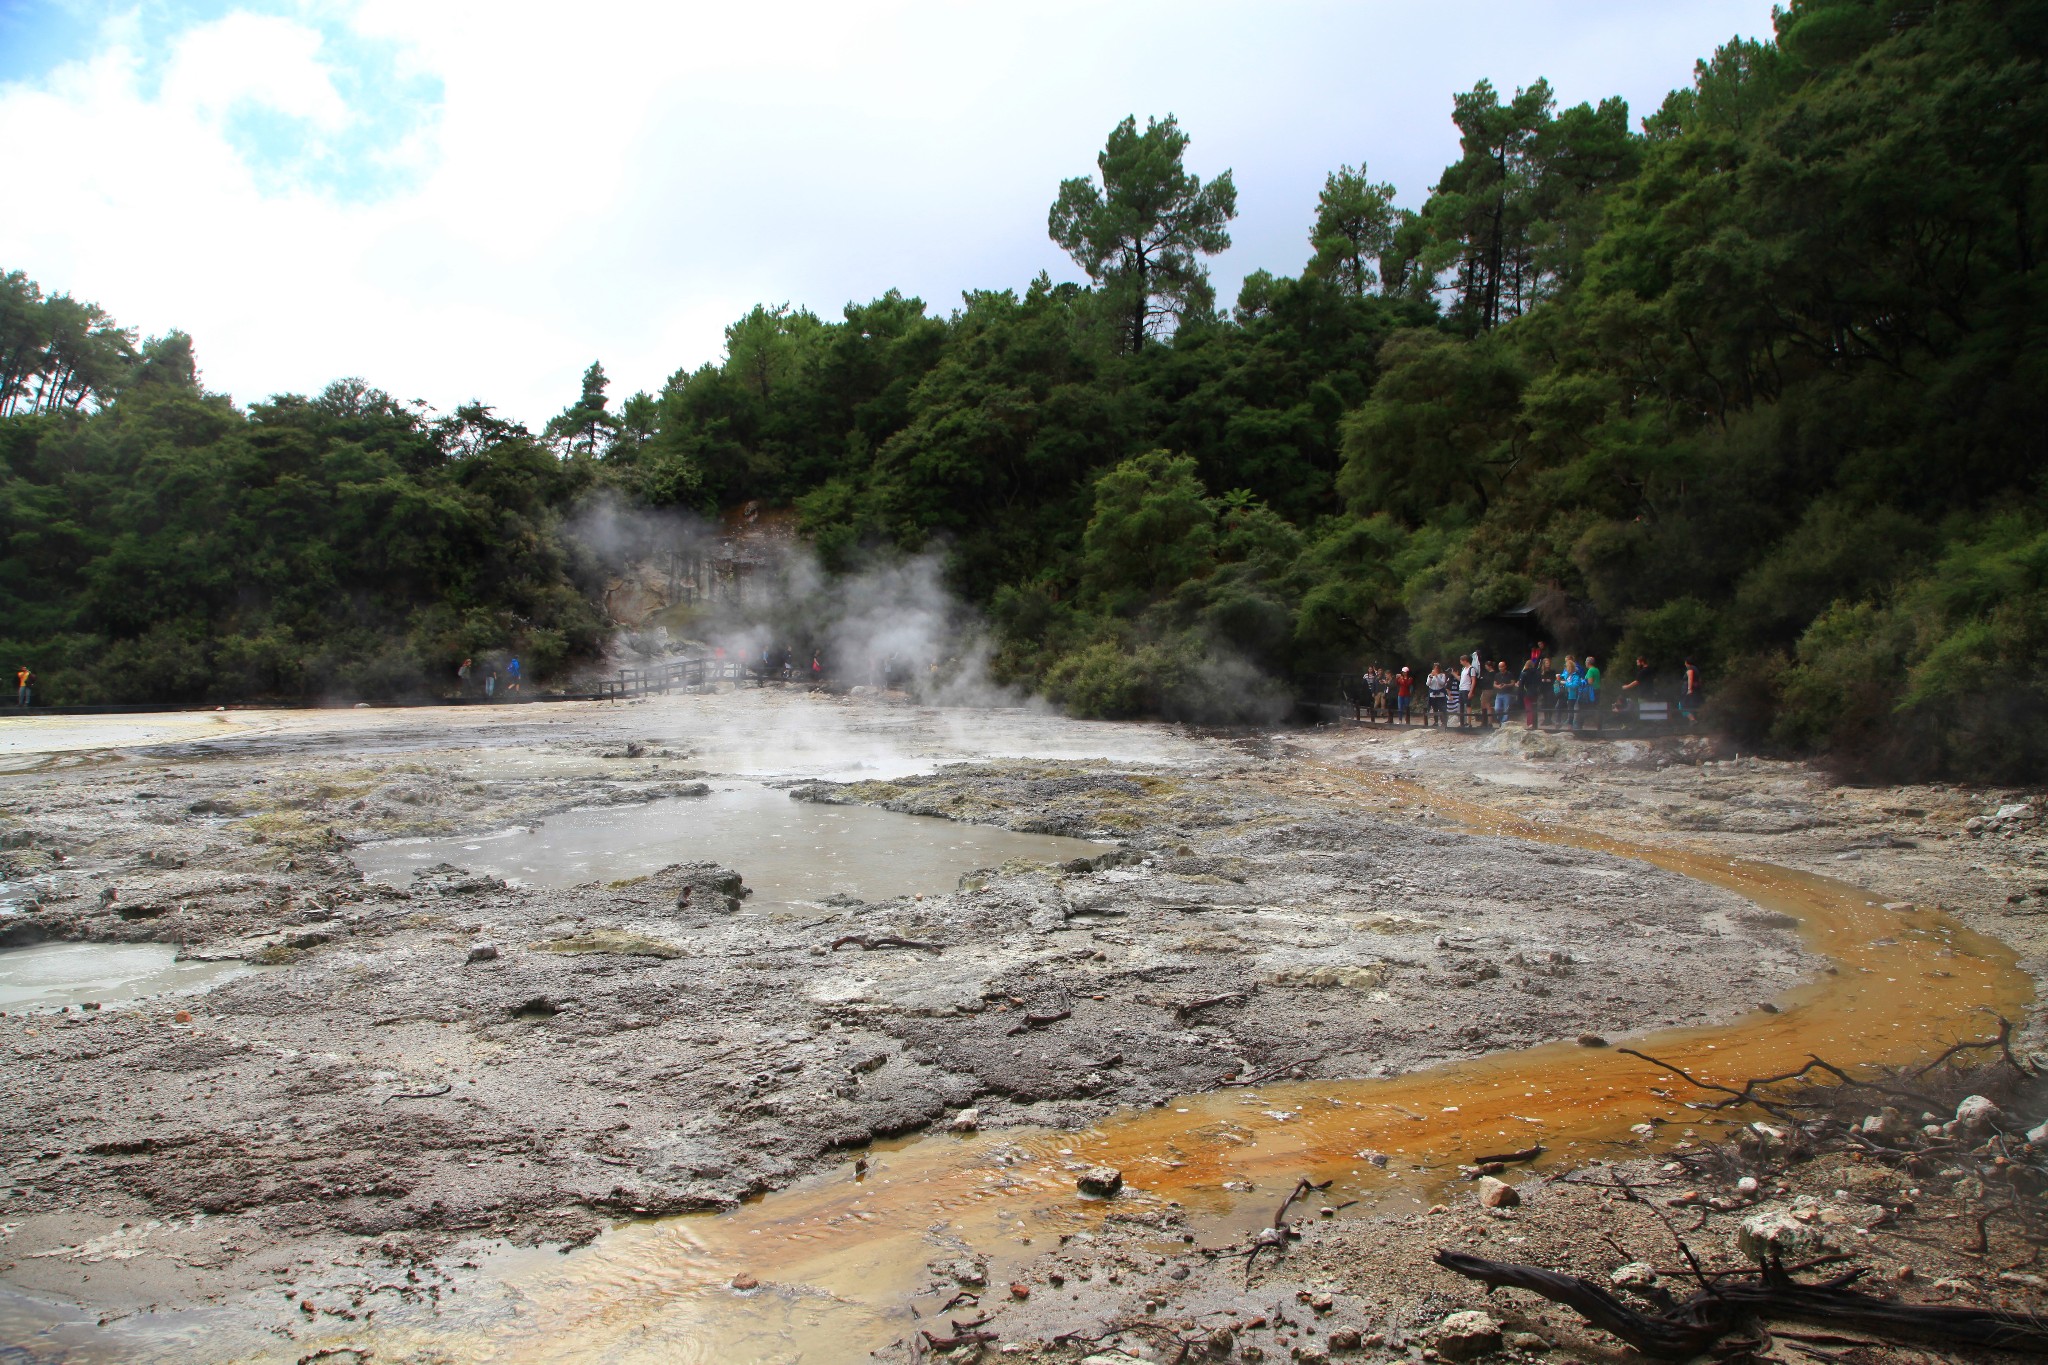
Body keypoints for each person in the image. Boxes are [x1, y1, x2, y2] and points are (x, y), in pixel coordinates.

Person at [1518, 653, 1542, 729]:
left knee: (1528, 708)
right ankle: (1535, 723)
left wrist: (1520, 694)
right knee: (1534, 707)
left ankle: (1529, 723)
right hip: (1535, 692)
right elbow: (1539, 682)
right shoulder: (1538, 673)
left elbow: (1521, 684)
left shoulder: (1524, 673)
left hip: (1527, 692)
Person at [1680, 657, 1704, 724]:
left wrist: (1689, 689)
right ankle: (1693, 720)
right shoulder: (1696, 669)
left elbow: (1690, 678)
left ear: (1687, 662)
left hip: (1688, 690)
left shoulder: (1690, 669)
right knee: (1691, 705)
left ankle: (1692, 719)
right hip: (1695, 690)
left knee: (1682, 705)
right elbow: (1699, 680)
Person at [1491, 659, 1515, 725]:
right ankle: (1500, 719)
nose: (1500, 668)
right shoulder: (1497, 675)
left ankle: (1503, 722)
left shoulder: (1509, 674)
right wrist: (1498, 686)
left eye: (1502, 667)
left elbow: (1513, 683)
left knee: (1506, 709)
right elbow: (1494, 684)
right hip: (1499, 693)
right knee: (1497, 708)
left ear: (1505, 666)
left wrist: (1506, 685)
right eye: (1499, 667)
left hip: (1507, 693)